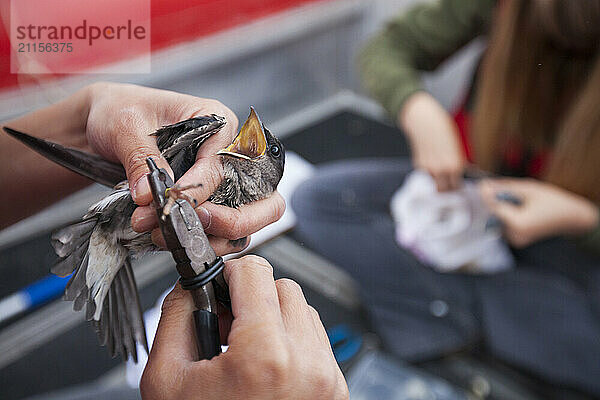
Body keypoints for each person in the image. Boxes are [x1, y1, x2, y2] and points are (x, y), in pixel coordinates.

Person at [292, 0, 600, 396]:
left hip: (575, 243)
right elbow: (388, 48)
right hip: (475, 191)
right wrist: (417, 110)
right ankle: (491, 318)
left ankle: (440, 315)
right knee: (320, 201)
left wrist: (580, 218)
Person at [1, 82, 348, 399]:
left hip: (129, 229)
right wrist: (90, 122)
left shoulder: (235, 186)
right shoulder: (208, 153)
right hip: (120, 219)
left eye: (269, 151)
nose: (253, 130)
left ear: (271, 177)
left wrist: (86, 120)